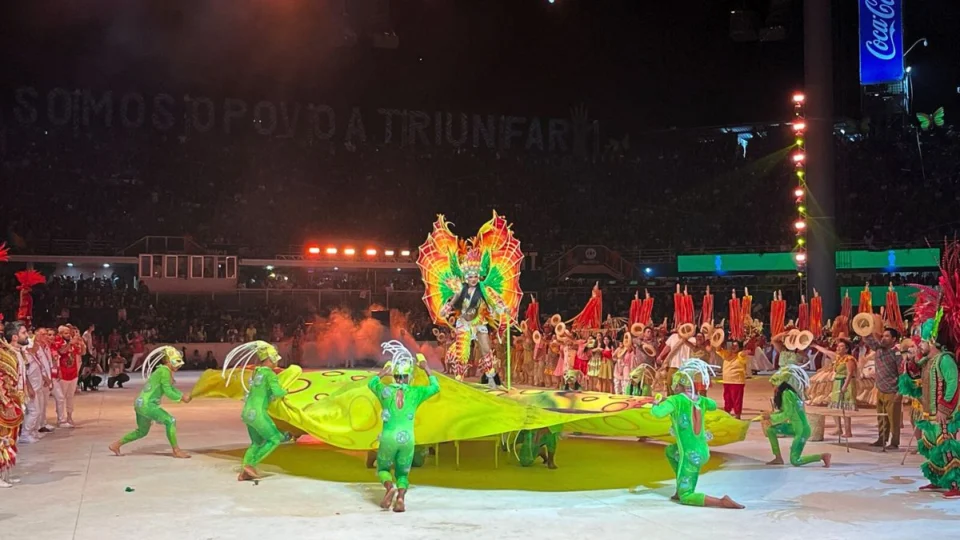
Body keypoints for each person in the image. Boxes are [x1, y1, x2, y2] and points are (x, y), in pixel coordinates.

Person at [651, 359, 742, 509]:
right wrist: (698, 397)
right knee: (670, 451)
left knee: (687, 497)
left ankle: (721, 502)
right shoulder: (700, 400)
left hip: (690, 455)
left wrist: (656, 404)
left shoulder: (675, 401)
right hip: (702, 450)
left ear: (677, 385)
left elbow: (658, 413)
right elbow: (713, 405)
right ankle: (680, 486)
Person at [368, 340, 440, 513]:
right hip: (407, 439)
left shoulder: (385, 391)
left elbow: (371, 383)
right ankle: (400, 497)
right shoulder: (416, 393)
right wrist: (426, 368)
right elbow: (436, 387)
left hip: (388, 438)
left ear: (394, 375)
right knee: (402, 473)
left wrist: (382, 372)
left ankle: (388, 488)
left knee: (383, 468)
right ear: (409, 376)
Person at [221, 341, 292, 481]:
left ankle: (244, 473)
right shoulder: (270, 374)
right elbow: (277, 392)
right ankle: (250, 465)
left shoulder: (256, 372)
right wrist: (287, 391)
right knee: (275, 438)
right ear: (271, 359)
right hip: (258, 414)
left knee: (256, 443)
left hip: (247, 413)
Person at [109, 346, 192, 458]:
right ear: (168, 360)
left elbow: (169, 388)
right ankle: (176, 450)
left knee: (142, 432)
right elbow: (168, 391)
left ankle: (116, 444)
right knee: (170, 421)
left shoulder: (162, 370)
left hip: (140, 403)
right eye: (176, 362)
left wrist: (182, 395)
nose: (179, 366)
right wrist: (182, 398)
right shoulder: (164, 371)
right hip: (148, 405)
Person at [762, 364, 832, 468]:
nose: (773, 388)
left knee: (795, 461)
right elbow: (788, 412)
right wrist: (771, 415)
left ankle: (822, 456)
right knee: (770, 430)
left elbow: (787, 414)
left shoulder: (787, 394)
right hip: (795, 427)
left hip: (802, 431)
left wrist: (771, 417)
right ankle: (778, 457)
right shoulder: (789, 393)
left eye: (774, 385)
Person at [862, 324, 903, 450]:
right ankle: (882, 439)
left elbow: (902, 373)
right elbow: (868, 339)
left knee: (893, 418)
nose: (883, 338)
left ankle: (894, 442)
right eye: (883, 336)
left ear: (894, 339)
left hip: (893, 391)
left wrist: (900, 392)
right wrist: (864, 327)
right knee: (881, 416)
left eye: (887, 336)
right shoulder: (879, 349)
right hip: (880, 389)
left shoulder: (897, 354)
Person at [1, 321, 28, 487]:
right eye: (24, 333)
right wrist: (8, 403)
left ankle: (5, 474)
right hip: (5, 404)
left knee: (11, 439)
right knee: (2, 439)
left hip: (17, 401)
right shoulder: (5, 355)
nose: (27, 335)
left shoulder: (18, 353)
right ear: (15, 337)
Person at [813, 339, 858, 438]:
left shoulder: (849, 359)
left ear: (847, 349)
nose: (838, 348)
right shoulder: (838, 358)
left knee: (845, 408)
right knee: (835, 406)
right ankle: (838, 428)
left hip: (846, 383)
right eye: (838, 346)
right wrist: (815, 346)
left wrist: (845, 386)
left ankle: (848, 431)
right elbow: (826, 352)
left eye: (841, 346)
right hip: (837, 382)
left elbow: (850, 373)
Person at [716, 340, 749, 419]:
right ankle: (727, 413)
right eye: (732, 345)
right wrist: (719, 340)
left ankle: (737, 415)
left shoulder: (740, 355)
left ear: (740, 348)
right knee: (727, 398)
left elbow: (743, 354)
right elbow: (718, 349)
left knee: (737, 399)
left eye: (736, 346)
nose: (733, 347)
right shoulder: (727, 354)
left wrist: (746, 349)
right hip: (726, 380)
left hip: (737, 381)